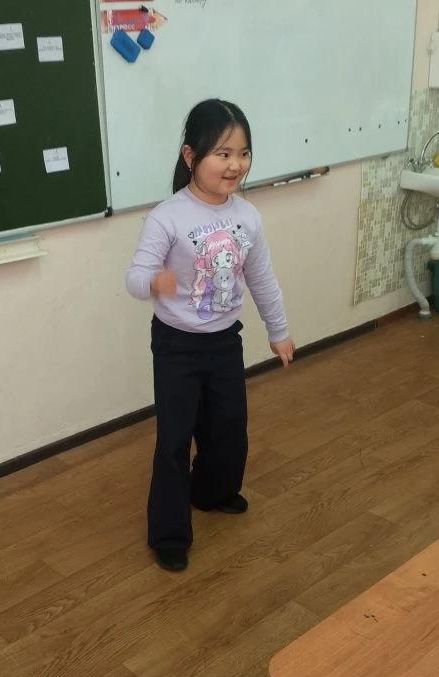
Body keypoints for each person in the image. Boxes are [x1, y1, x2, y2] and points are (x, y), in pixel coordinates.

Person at [125, 98, 294, 572]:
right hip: (176, 346)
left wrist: (279, 331)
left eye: (243, 153)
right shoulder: (168, 217)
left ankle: (212, 493)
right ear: (190, 156)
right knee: (175, 441)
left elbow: (262, 279)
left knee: (228, 432)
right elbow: (135, 277)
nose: (235, 164)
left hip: (223, 343)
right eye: (222, 153)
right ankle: (169, 534)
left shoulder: (248, 217)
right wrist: (154, 282)